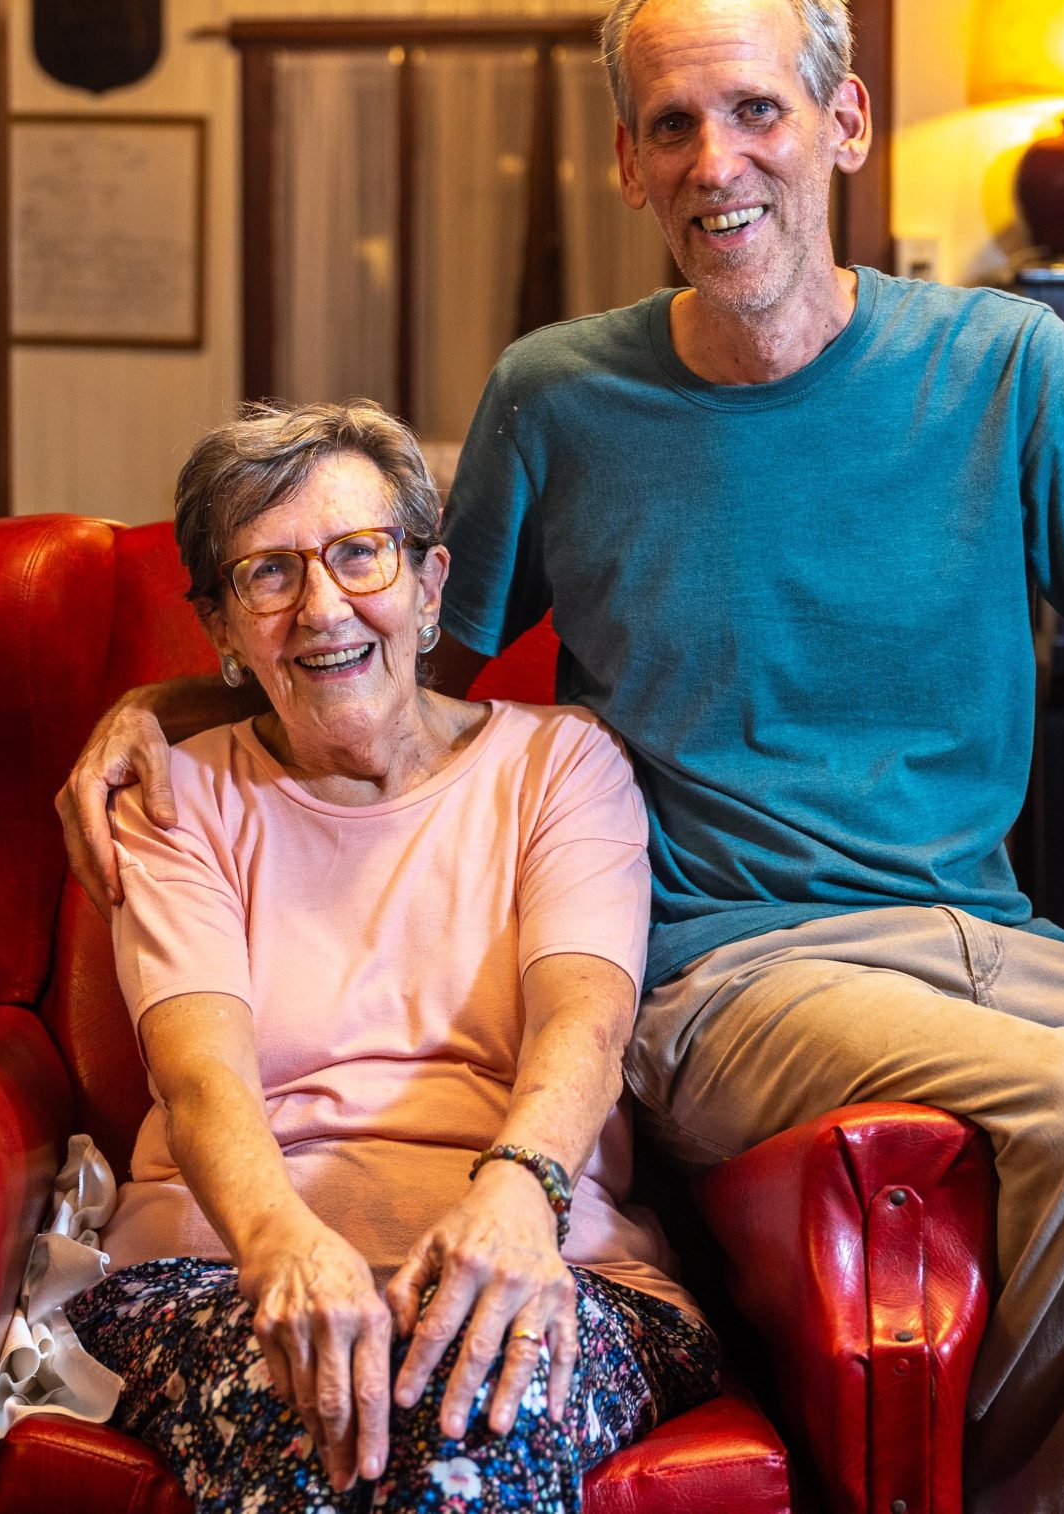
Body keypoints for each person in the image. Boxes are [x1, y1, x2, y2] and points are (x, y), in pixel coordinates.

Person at [59, 0, 1064, 1514]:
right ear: (627, 163)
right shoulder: (557, 393)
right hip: (726, 976)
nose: (720, 162)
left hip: (996, 948)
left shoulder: (1006, 365)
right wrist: (156, 696)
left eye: (757, 110)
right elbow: (393, 672)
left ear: (847, 122)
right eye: (676, 127)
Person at [61, 400, 720, 1513]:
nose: (323, 606)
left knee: (475, 1418)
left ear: (429, 584)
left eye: (360, 553)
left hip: (556, 1260)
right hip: (217, 1266)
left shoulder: (562, 767)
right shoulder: (176, 797)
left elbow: (584, 1021)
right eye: (267, 574)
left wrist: (521, 1195)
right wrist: (279, 1246)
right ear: (220, 629)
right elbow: (198, 1070)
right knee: (300, 1410)